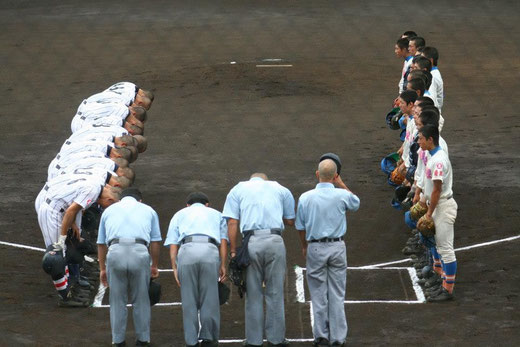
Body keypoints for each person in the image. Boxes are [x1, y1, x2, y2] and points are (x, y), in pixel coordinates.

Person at [222, 173, 295, 347]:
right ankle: (276, 339)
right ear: (266, 179)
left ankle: (254, 341)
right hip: (275, 241)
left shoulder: (238, 189)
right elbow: (290, 220)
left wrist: (233, 252)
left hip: (251, 242)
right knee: (275, 292)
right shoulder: (281, 189)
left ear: (251, 179)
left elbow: (232, 223)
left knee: (253, 294)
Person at [295, 158, 360, 346]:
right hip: (337, 247)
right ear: (335, 176)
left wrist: (304, 246)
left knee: (317, 294)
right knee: (337, 294)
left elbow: (300, 226)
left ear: (317, 175)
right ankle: (338, 339)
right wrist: (340, 184)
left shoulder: (306, 197)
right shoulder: (342, 195)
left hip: (315, 247)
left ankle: (321, 336)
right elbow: (355, 203)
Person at [35, 174, 121, 306]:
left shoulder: (96, 187)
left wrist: (72, 225)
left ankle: (73, 283)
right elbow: (70, 211)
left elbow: (72, 208)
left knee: (73, 244)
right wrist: (62, 238)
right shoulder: (92, 191)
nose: (104, 208)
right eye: (108, 206)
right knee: (56, 256)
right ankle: (65, 297)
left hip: (59, 207)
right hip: (51, 211)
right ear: (109, 199)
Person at [97, 187, 161, 346]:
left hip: (115, 252)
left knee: (117, 300)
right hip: (139, 253)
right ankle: (143, 340)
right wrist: (154, 265)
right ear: (140, 200)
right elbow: (155, 241)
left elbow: (100, 244)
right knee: (141, 299)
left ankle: (118, 341)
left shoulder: (109, 211)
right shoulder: (149, 210)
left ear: (121, 199)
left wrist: (102, 269)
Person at [165, 192, 228, 347]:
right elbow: (223, 242)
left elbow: (173, 244)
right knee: (210, 297)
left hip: (187, 251)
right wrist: (222, 264)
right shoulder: (216, 214)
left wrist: (174, 267)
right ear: (207, 204)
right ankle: (209, 338)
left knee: (189, 299)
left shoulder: (179, 214)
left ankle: (191, 341)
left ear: (188, 205)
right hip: (209, 251)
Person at [416, 125, 458, 302]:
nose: (419, 141)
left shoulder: (438, 160)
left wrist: (429, 213)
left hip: (442, 206)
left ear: (430, 139)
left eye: (421, 138)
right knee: (440, 246)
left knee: (446, 249)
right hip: (437, 206)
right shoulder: (433, 157)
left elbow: (437, 190)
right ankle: (442, 283)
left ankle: (447, 290)